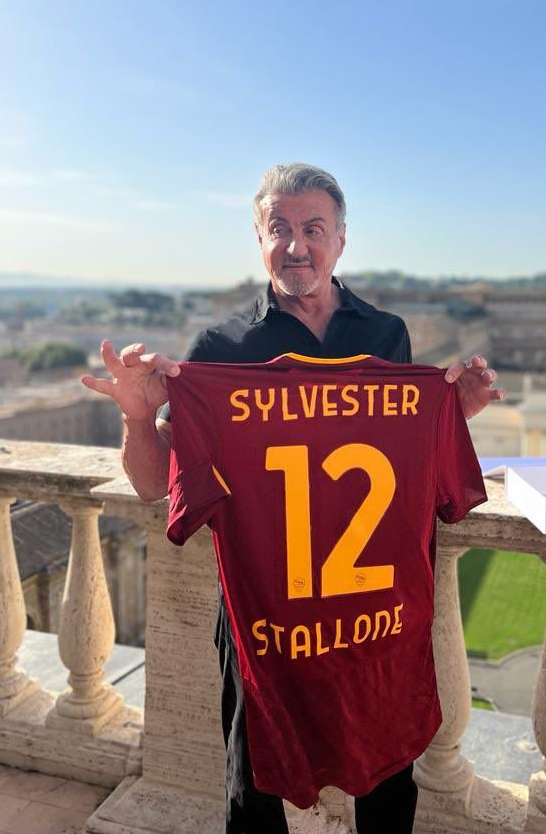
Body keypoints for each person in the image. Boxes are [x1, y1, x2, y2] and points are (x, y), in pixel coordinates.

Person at [81, 162, 504, 834]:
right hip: (264, 617)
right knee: (252, 792)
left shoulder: (386, 334)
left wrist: (454, 416)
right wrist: (136, 417)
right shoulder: (220, 350)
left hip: (374, 611)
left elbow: (389, 451)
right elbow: (154, 485)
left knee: (389, 774)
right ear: (259, 239)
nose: (297, 245)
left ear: (341, 241)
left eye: (314, 228)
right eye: (280, 229)